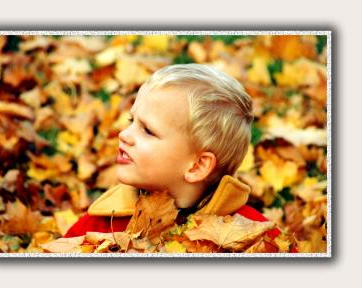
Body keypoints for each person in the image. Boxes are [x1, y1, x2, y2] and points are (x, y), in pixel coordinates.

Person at [64, 64, 295, 252]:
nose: (124, 134)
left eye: (148, 130)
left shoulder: (252, 238)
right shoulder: (102, 224)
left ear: (196, 166)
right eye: (131, 121)